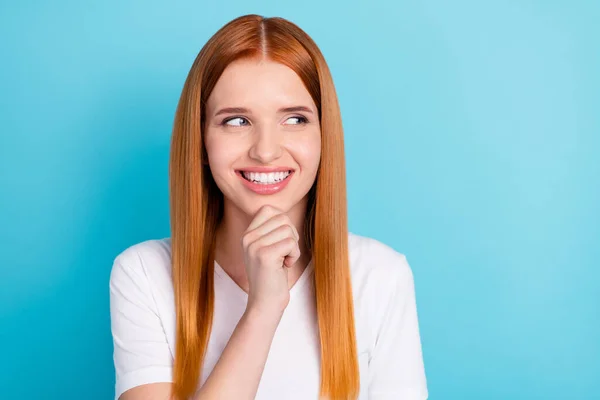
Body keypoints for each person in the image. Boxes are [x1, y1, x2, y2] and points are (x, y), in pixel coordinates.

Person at [109, 14, 428, 400]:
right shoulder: (145, 274)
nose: (265, 150)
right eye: (237, 120)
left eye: (295, 119)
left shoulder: (381, 276)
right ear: (201, 142)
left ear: (324, 136)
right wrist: (263, 309)